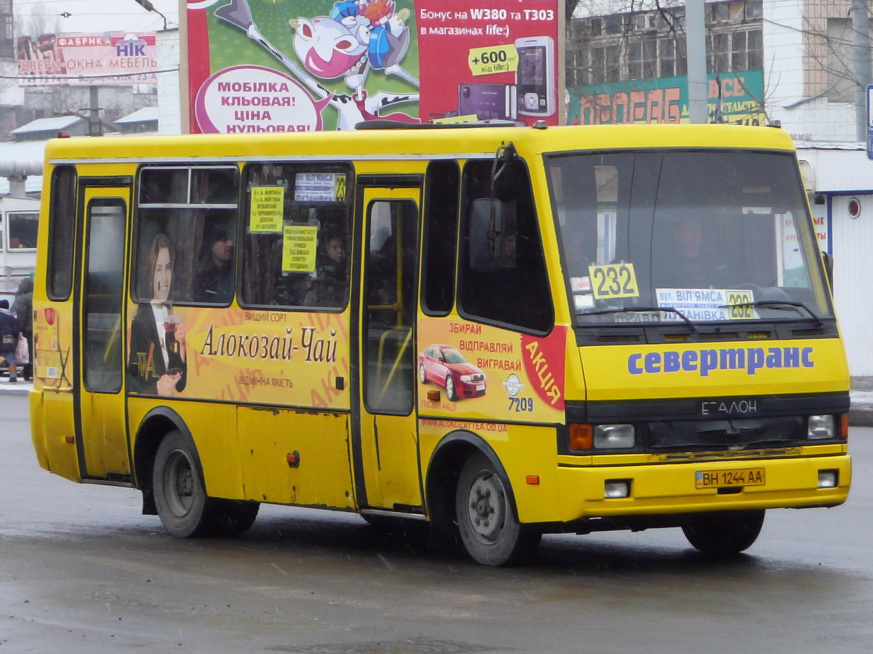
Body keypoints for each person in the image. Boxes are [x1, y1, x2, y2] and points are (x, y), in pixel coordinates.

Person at [128, 233, 187, 396]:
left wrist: (181, 345)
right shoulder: (140, 321)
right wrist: (156, 390)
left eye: (168, 268)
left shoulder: (171, 317)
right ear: (150, 273)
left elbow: (181, 384)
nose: (164, 278)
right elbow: (133, 380)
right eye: (158, 269)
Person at [303, 234, 348, 307]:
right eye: (334, 248)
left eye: (341, 247)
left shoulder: (347, 269)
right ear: (326, 250)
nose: (340, 251)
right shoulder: (320, 274)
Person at [194, 224, 234, 303]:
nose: (230, 244)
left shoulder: (236, 272)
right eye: (224, 240)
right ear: (211, 246)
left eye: (230, 239)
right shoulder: (203, 278)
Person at [12, 277, 33, 381]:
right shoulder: (37, 296)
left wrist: (20, 329)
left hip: (28, 330)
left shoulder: (22, 298)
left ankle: (27, 371)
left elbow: (21, 315)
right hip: (40, 329)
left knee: (27, 352)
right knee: (36, 351)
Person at [0, 299, 20, 383]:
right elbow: (16, 331)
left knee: (1, 355)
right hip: (9, 337)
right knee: (10, 356)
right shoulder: (11, 316)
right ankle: (13, 377)